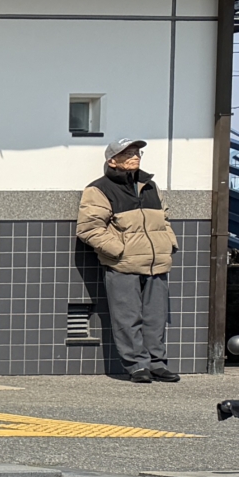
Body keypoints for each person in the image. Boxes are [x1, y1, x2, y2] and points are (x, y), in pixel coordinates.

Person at [78, 137, 179, 383]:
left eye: (137, 152)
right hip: (123, 264)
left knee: (155, 318)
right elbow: (89, 228)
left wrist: (169, 243)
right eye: (128, 153)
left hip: (157, 263)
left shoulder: (150, 185)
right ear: (112, 160)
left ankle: (156, 363)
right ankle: (137, 366)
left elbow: (164, 219)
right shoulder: (99, 189)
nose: (135, 156)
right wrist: (120, 250)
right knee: (127, 317)